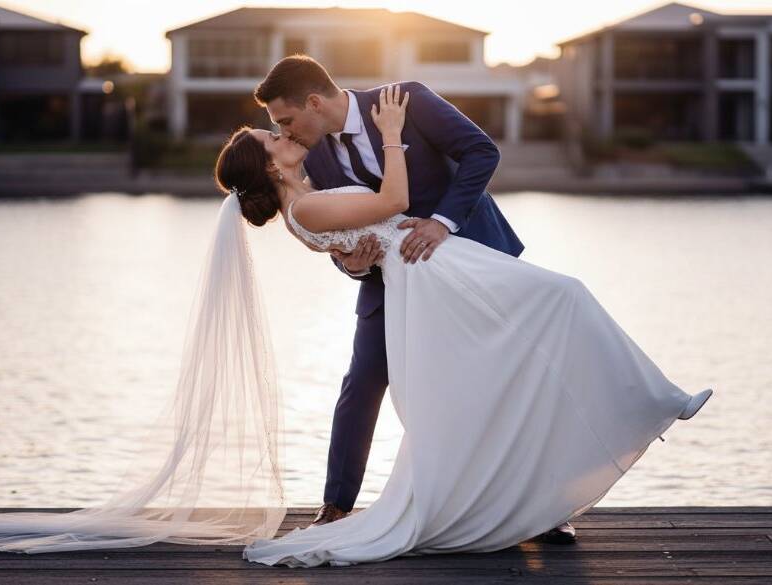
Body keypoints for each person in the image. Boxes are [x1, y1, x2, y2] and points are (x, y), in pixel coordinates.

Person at [212, 83, 713, 567]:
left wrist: (442, 221)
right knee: (368, 384)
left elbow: (480, 154)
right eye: (276, 132)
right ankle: (338, 505)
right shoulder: (311, 163)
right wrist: (357, 263)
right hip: (405, 281)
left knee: (525, 363)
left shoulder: (401, 100)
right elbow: (354, 231)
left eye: (282, 121)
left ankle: (545, 508)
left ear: (313, 102)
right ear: (270, 164)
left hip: (458, 252)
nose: (284, 132)